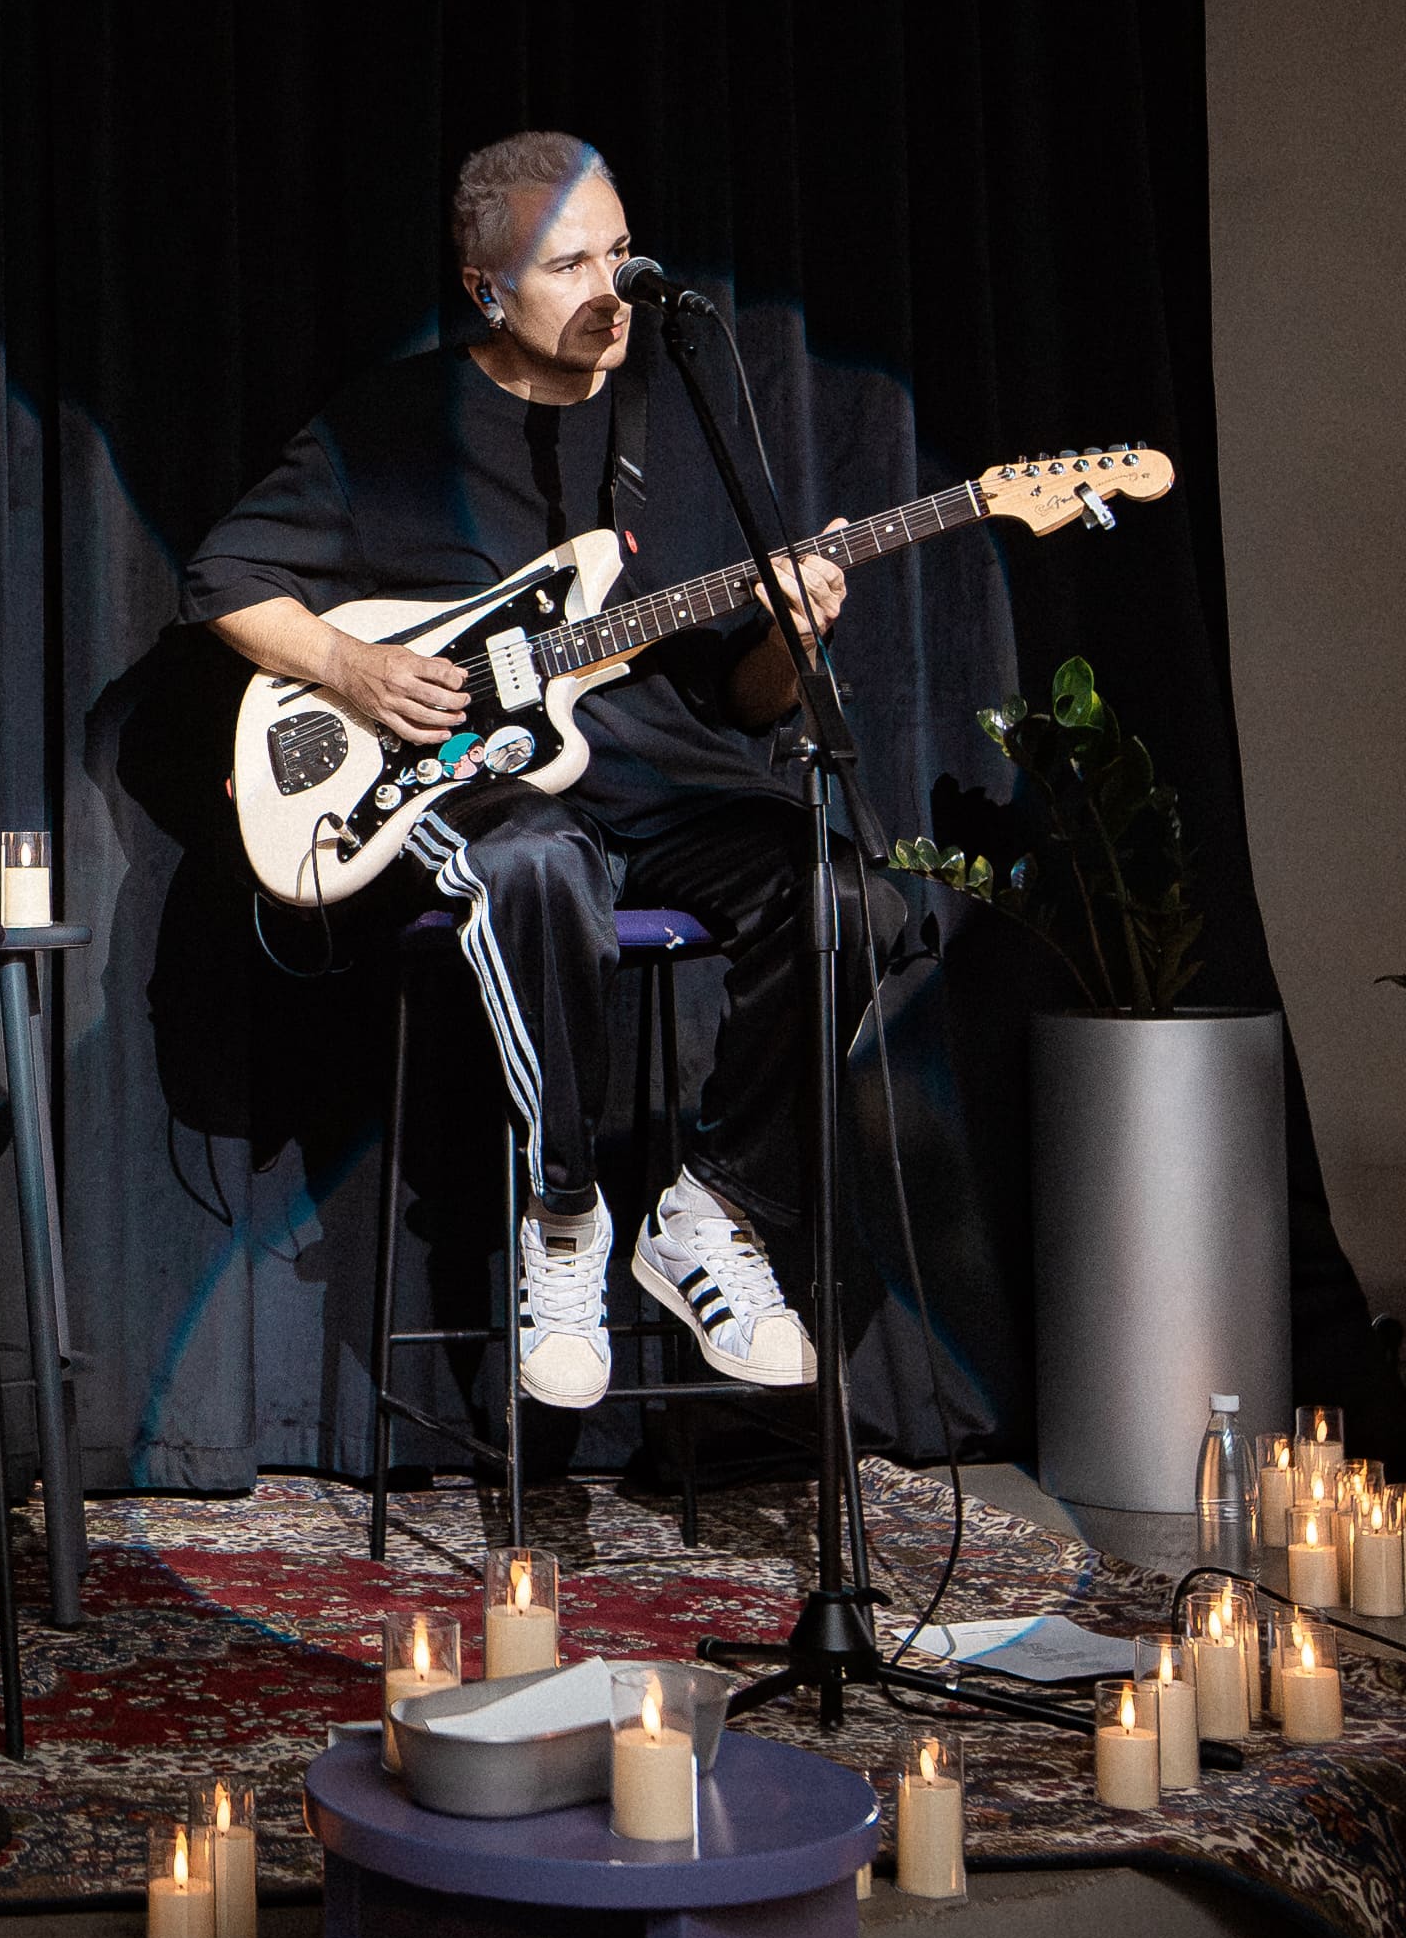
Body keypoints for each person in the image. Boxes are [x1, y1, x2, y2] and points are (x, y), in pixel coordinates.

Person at [186, 129, 896, 1413]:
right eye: (569, 266)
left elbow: (747, 702)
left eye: (620, 254)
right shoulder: (392, 424)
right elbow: (222, 579)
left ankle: (716, 1208)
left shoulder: (689, 422)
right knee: (537, 864)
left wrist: (796, 642)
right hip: (478, 785)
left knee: (849, 894)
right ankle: (562, 1216)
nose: (610, 290)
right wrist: (350, 667)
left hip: (667, 787)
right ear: (486, 290)